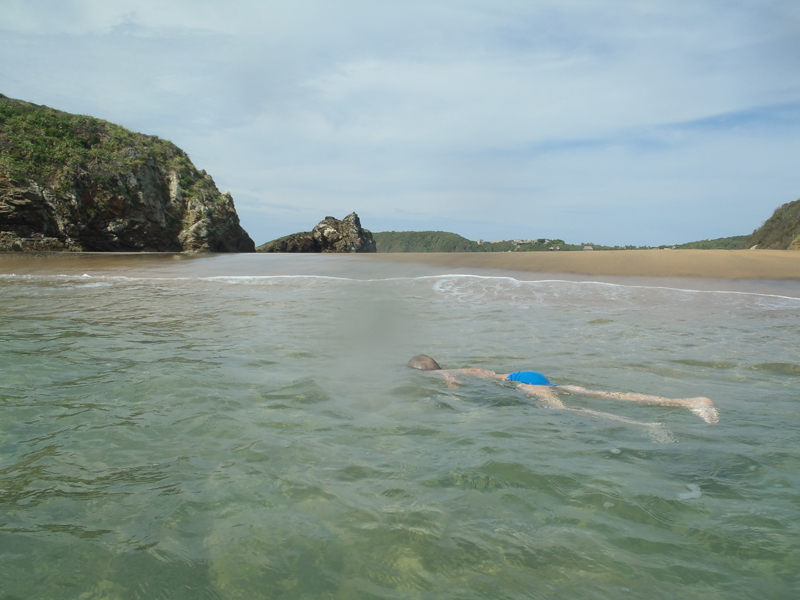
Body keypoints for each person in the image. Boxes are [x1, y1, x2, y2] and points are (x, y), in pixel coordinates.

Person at [407, 354, 719, 425]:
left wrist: (446, 398)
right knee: (603, 394)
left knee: (565, 409)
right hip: (526, 373)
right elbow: (484, 373)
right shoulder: (462, 364)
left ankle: (643, 424)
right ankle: (688, 402)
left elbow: (455, 385)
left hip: (523, 383)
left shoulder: (447, 375)